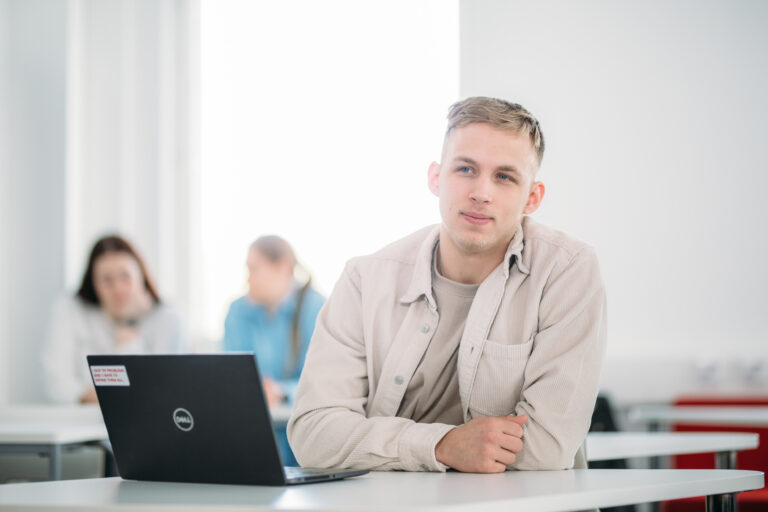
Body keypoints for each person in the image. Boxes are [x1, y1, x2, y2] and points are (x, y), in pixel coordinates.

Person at [288, 97, 607, 473]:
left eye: (504, 177)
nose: (481, 192)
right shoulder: (365, 279)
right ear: (436, 178)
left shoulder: (566, 271)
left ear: (532, 197)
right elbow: (313, 435)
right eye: (466, 169)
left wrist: (379, 445)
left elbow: (545, 450)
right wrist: (441, 446)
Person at [43, 235, 186, 404]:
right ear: (94, 284)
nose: (118, 289)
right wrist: (106, 395)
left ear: (141, 276)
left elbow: (163, 391)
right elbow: (56, 385)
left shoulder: (166, 319)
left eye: (125, 277)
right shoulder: (69, 310)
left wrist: (129, 332)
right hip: (81, 421)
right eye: (107, 280)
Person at [221, 235, 325, 465]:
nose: (248, 279)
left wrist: (280, 391)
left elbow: (326, 381)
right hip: (250, 435)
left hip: (304, 442)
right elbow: (227, 373)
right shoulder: (237, 311)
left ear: (283, 268)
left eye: (254, 269)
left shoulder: (317, 309)